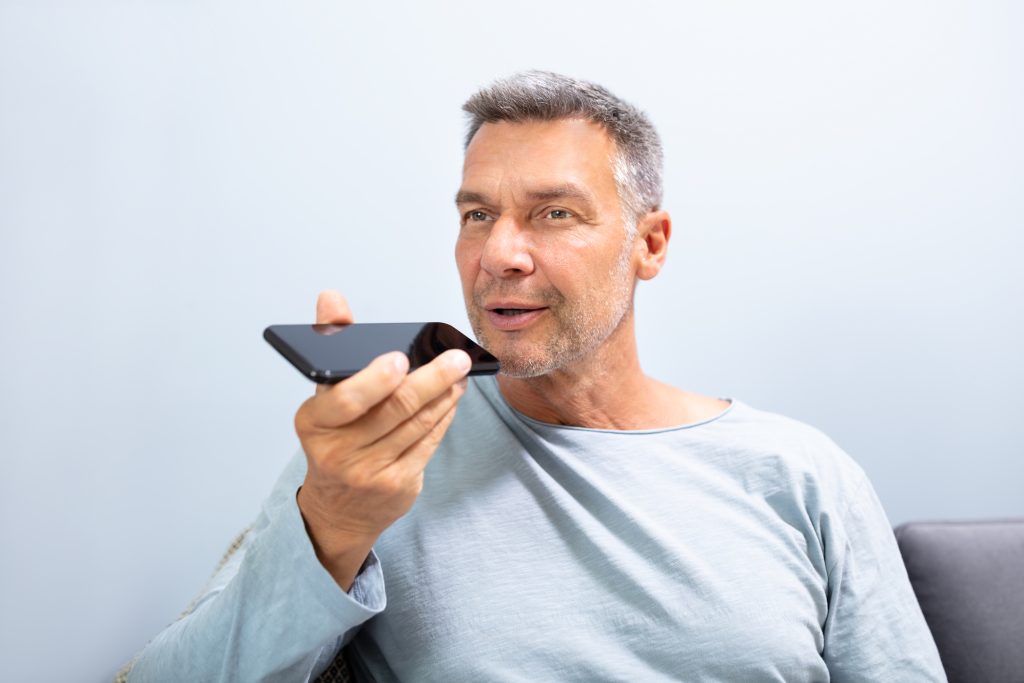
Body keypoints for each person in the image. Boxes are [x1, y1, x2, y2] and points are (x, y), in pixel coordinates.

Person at [123, 71, 946, 682]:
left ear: (649, 244)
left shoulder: (802, 474)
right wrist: (332, 527)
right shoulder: (376, 459)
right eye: (477, 213)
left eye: (553, 213)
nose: (498, 254)